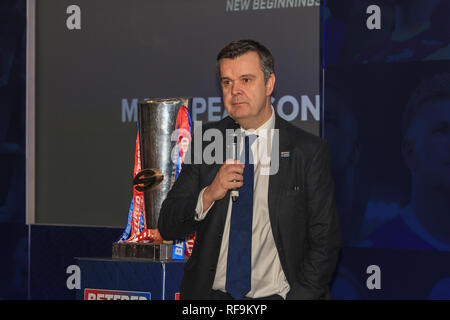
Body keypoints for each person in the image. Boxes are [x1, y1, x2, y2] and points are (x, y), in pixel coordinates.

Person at [158, 40, 341, 300]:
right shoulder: (207, 140)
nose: (235, 91)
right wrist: (209, 194)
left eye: (246, 80)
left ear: (269, 84)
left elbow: (325, 241)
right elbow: (168, 224)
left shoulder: (307, 151)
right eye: (227, 82)